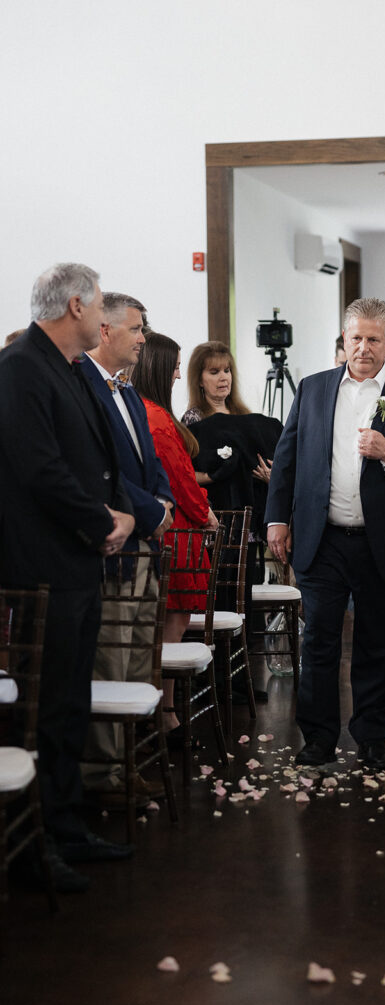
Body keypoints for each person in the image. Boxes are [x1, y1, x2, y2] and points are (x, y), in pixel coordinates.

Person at [266, 297, 385, 769]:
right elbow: (287, 459)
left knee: (379, 643)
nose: (363, 348)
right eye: (355, 338)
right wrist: (277, 519)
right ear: (343, 341)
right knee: (319, 640)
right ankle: (319, 739)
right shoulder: (311, 389)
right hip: (322, 539)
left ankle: (370, 736)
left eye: (373, 339)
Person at [0, 263, 136, 892]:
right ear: (77, 305)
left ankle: (69, 824)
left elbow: (93, 457)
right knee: (46, 705)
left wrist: (113, 514)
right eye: (101, 303)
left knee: (70, 700)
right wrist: (99, 519)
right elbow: (37, 467)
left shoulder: (72, 367)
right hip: (42, 563)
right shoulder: (21, 365)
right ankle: (40, 841)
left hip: (76, 561)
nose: (105, 314)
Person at [80, 293, 175, 802]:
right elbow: (101, 470)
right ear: (105, 331)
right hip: (114, 547)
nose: (143, 338)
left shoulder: (132, 394)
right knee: (109, 663)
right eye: (137, 329)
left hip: (144, 549)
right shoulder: (83, 388)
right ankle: (102, 776)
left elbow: (150, 461)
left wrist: (161, 499)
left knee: (140, 658)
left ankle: (129, 765)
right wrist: (153, 512)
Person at [182, 342, 283, 704]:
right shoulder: (192, 421)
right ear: (200, 378)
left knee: (244, 601)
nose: (222, 378)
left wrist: (273, 476)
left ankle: (240, 678)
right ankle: (212, 678)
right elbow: (188, 473)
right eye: (213, 371)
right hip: (217, 527)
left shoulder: (245, 415)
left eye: (226, 370)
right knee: (218, 600)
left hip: (249, 526)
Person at [130, 331, 219, 733]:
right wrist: (206, 514)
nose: (179, 373)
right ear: (159, 367)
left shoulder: (146, 411)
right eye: (176, 365)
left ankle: (163, 708)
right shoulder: (157, 418)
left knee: (168, 622)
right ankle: (164, 712)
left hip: (174, 527)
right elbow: (181, 480)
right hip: (176, 532)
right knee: (172, 622)